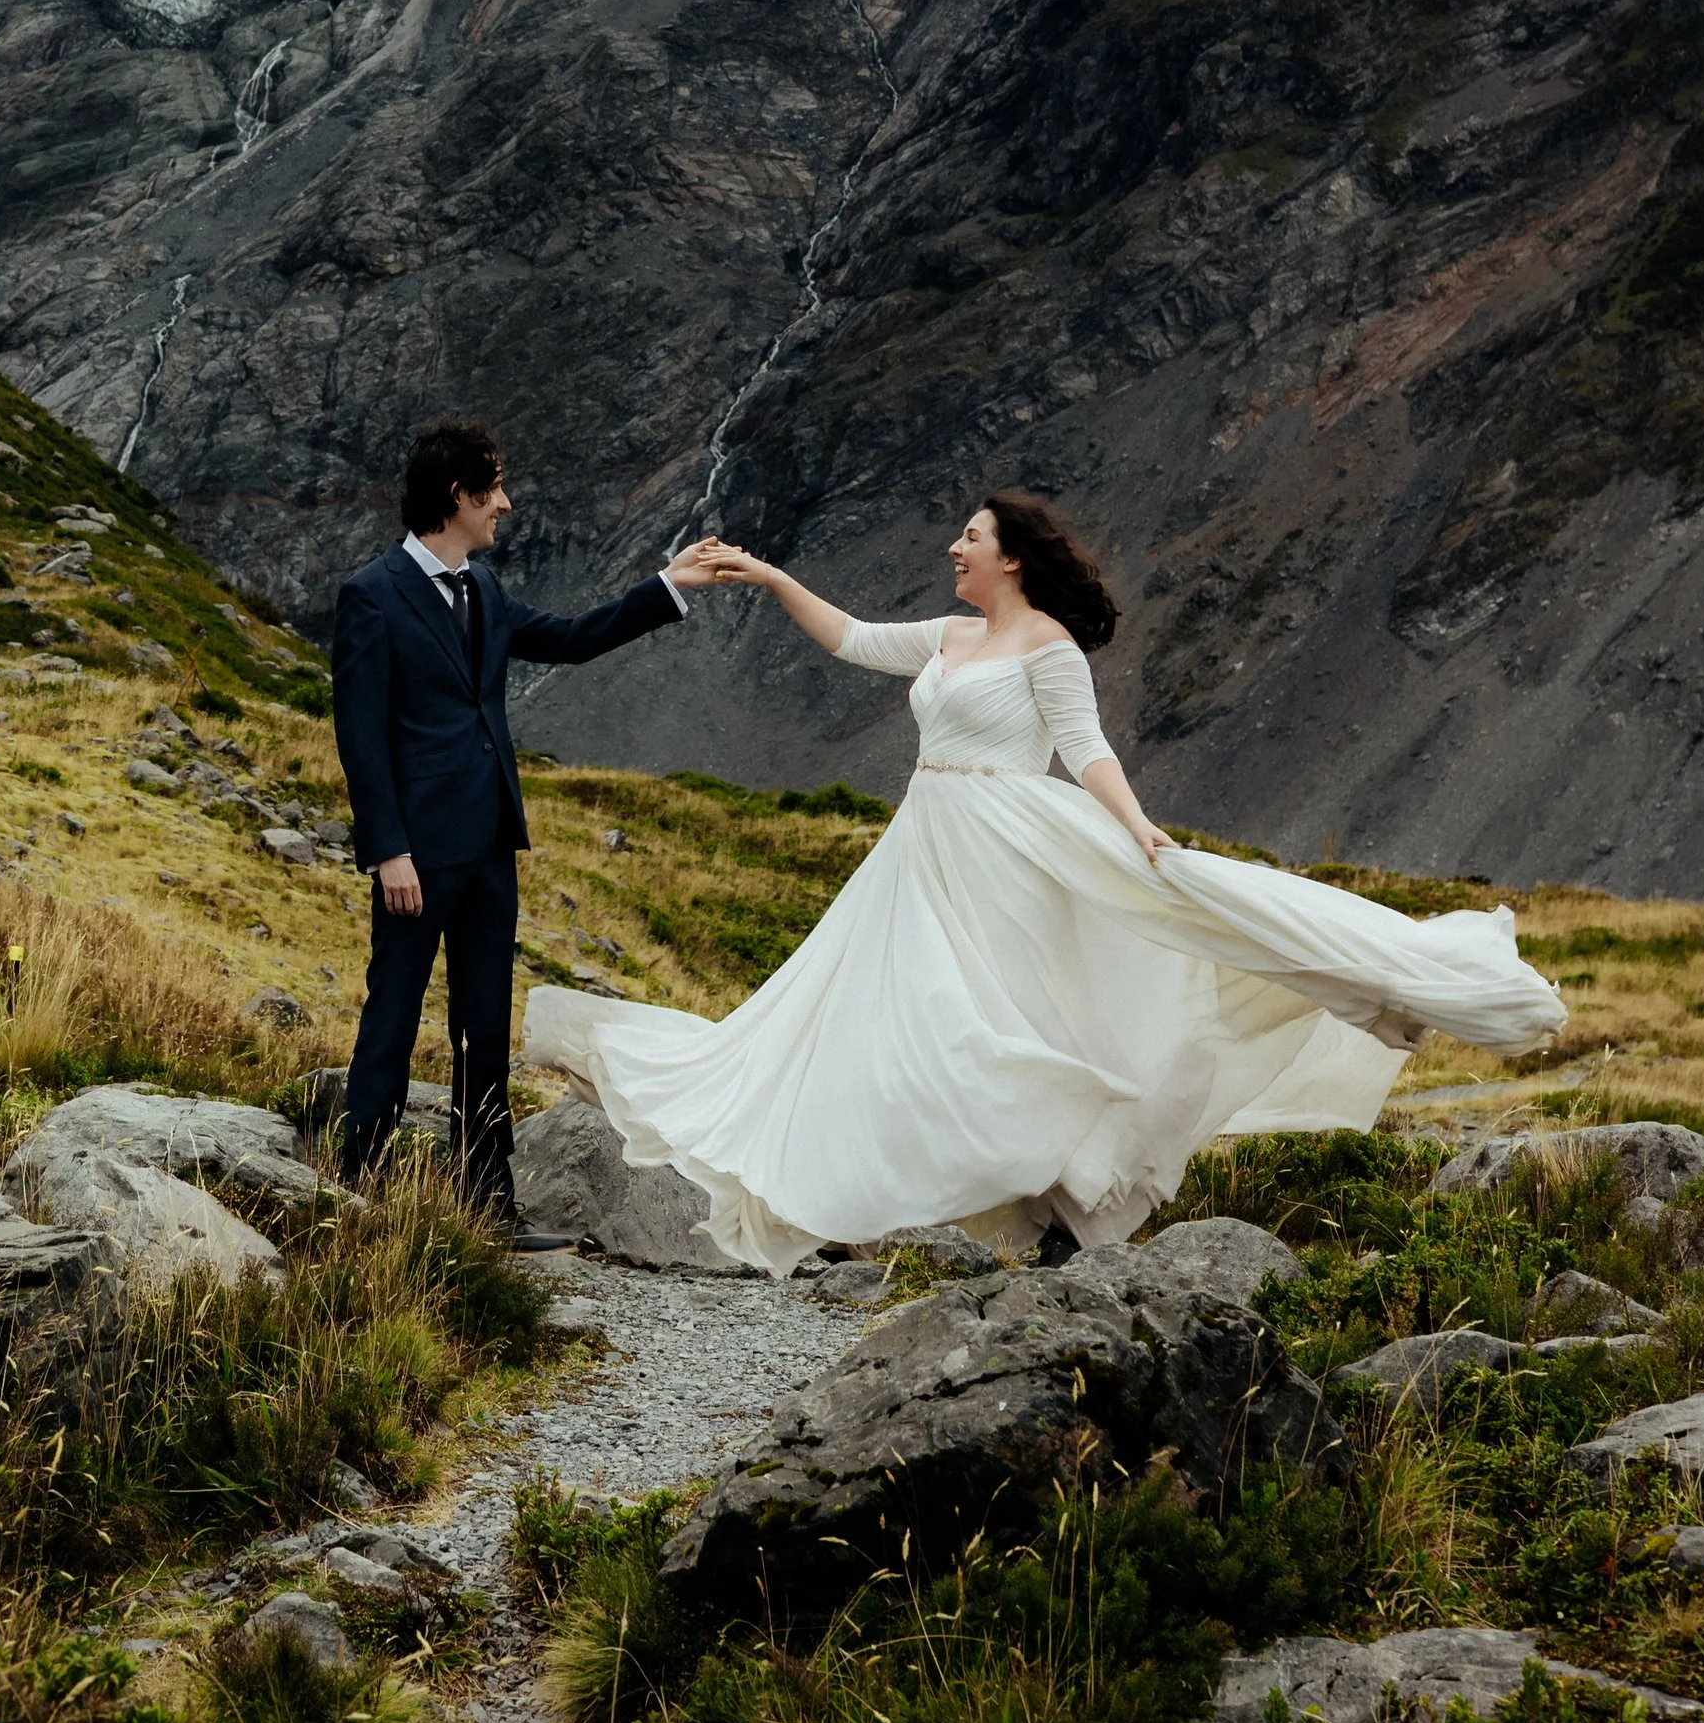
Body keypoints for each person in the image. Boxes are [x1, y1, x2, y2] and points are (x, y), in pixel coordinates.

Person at [523, 489, 1567, 1274]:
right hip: (928, 844)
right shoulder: (950, 636)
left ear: (1009, 559)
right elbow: (851, 639)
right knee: (909, 1011)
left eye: (968, 538)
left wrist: (1137, 826)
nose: (953, 548)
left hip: (1011, 843)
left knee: (1017, 1011)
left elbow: (1084, 746)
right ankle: (995, 1187)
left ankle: (1062, 1192)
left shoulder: (1047, 646)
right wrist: (765, 575)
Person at [332, 411, 721, 1232]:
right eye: (495, 488)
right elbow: (360, 738)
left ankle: (487, 1204)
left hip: (487, 847)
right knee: (391, 1017)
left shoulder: (487, 590)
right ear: (457, 496)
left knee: (485, 1029)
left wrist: (669, 585)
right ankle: (350, 1194)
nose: (505, 504)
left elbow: (575, 640)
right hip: (417, 856)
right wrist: (389, 851)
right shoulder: (372, 595)